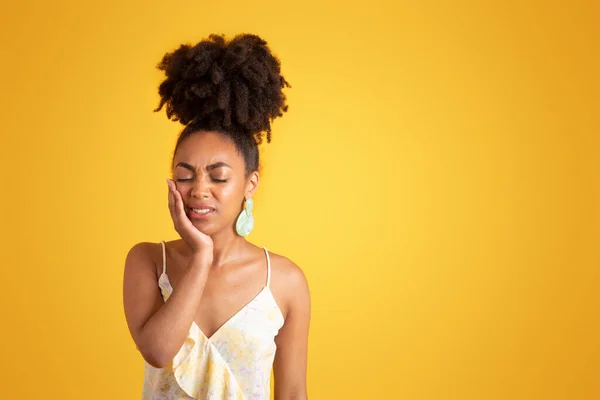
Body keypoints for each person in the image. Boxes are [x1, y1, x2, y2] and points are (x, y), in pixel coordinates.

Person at [123, 33, 311, 400]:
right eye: (185, 174)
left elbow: (292, 393)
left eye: (219, 176)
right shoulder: (147, 261)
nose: (199, 189)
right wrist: (201, 256)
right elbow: (159, 352)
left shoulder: (286, 282)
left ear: (249, 184)